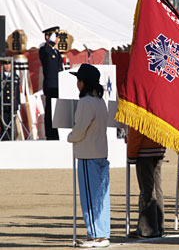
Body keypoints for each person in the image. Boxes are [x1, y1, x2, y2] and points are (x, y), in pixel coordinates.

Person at [67, 64, 110, 248]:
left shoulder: (85, 102)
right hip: (101, 153)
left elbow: (79, 130)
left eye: (78, 80)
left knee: (90, 197)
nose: (77, 83)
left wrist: (70, 137)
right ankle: (102, 233)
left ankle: (96, 236)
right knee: (101, 197)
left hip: (87, 155)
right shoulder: (100, 101)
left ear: (83, 82)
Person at [127, 127, 166, 239]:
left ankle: (147, 230)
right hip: (158, 148)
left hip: (144, 151)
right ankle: (158, 227)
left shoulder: (140, 109)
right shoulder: (161, 108)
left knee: (147, 190)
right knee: (157, 189)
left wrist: (131, 154)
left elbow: (136, 132)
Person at [39, 26, 63, 140]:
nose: (57, 38)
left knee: (56, 109)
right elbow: (46, 54)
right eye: (55, 36)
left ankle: (57, 132)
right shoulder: (45, 49)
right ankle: (50, 133)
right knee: (49, 110)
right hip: (50, 85)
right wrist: (49, 42)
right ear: (48, 37)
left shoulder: (56, 51)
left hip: (58, 85)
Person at [0, 59, 20, 140]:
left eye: (9, 64)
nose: (7, 66)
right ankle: (5, 139)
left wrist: (17, 103)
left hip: (13, 103)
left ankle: (12, 138)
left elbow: (17, 91)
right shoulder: (1, 77)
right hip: (3, 104)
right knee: (4, 124)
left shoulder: (15, 77)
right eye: (5, 64)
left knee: (12, 123)